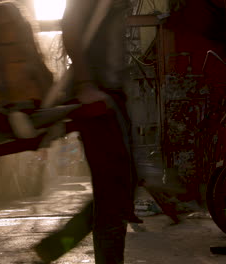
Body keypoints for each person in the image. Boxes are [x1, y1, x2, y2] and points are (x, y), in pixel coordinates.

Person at [33, 0, 137, 263]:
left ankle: (54, 247)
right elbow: (70, 24)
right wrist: (85, 83)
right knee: (113, 196)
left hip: (111, 98)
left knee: (122, 190)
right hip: (97, 98)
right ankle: (58, 247)